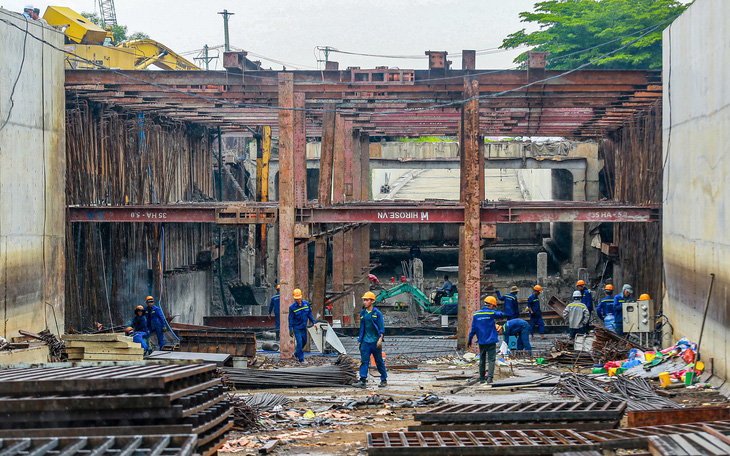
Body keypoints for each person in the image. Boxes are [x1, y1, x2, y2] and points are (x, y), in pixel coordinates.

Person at [468, 296, 504, 383]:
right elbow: (501, 315)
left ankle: (481, 379)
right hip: (491, 340)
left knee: (482, 360)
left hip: (482, 341)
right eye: (494, 306)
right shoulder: (491, 313)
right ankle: (489, 378)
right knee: (491, 360)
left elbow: (473, 329)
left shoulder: (476, 314)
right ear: (491, 305)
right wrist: (493, 311)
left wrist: (470, 339)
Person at [356, 291, 387, 388]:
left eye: (367, 300)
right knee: (364, 361)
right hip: (365, 341)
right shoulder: (363, 313)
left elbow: (381, 328)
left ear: (372, 301)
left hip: (375, 342)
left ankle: (383, 379)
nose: (365, 302)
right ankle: (363, 380)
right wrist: (361, 341)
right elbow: (362, 327)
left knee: (378, 361)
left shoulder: (377, 313)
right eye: (364, 300)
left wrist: (380, 340)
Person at [288, 288, 317, 363]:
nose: (298, 300)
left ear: (301, 296)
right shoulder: (292, 307)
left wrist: (314, 322)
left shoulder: (306, 304)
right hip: (297, 328)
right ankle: (301, 359)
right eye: (296, 299)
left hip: (304, 327)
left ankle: (296, 353)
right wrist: (290, 329)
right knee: (299, 343)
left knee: (304, 342)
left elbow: (309, 314)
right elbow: (290, 319)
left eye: (299, 298)